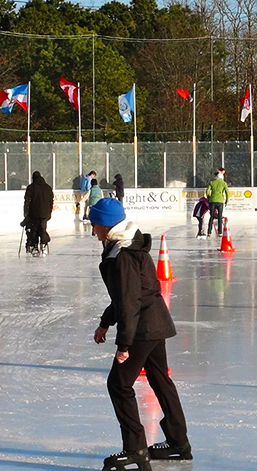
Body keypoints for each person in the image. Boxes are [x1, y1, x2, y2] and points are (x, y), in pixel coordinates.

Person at [89, 198, 192, 469]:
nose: (92, 229)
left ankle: (135, 448)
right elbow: (126, 296)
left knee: (118, 384)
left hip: (143, 328)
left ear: (106, 224)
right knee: (160, 380)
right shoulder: (125, 246)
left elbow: (129, 302)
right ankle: (178, 443)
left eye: (94, 223)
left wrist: (124, 344)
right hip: (154, 322)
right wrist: (105, 322)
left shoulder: (122, 254)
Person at [23, 170, 54, 257]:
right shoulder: (48, 187)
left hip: (34, 213)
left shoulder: (31, 187)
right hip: (45, 213)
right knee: (42, 228)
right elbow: (51, 201)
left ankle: (35, 246)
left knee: (34, 229)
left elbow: (27, 201)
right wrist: (49, 211)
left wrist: (25, 212)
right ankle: (43, 244)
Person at [205, 170, 228, 237]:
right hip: (220, 201)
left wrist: (209, 198)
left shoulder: (212, 182)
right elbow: (227, 193)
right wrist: (226, 201)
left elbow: (207, 191)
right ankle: (220, 232)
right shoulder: (224, 183)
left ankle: (209, 231)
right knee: (220, 217)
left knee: (211, 216)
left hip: (212, 201)